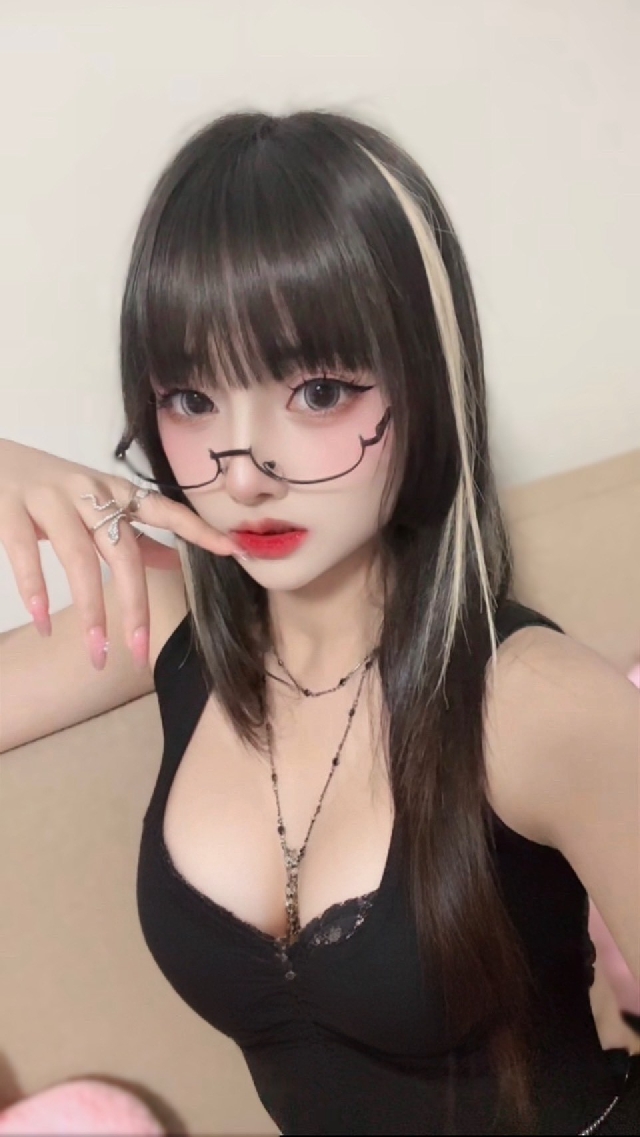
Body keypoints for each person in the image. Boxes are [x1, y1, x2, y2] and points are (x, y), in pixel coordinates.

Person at [0, 110, 637, 1135]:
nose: (244, 470)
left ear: (424, 381)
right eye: (191, 397)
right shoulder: (169, 622)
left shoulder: (535, 703)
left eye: (319, 389)